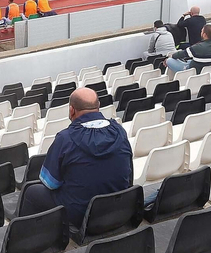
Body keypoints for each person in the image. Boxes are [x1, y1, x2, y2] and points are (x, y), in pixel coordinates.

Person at [17, 88, 131, 229]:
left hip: (81, 215)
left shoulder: (65, 139)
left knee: (31, 191)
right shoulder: (119, 131)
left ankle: (28, 236)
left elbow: (50, 183)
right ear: (98, 106)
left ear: (71, 110)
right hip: (118, 208)